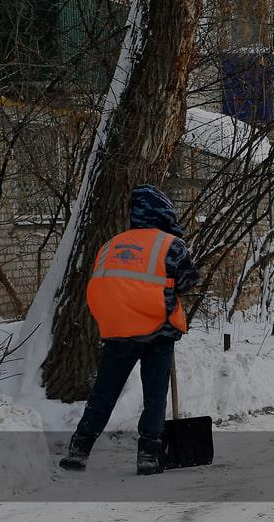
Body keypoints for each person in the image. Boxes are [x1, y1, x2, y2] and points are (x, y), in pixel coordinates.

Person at [60, 185, 199, 476]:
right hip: (158, 329)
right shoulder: (170, 244)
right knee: (154, 394)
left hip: (117, 328)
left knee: (104, 392)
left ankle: (79, 449)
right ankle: (148, 455)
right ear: (163, 214)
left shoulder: (112, 244)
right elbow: (188, 280)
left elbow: (103, 281)